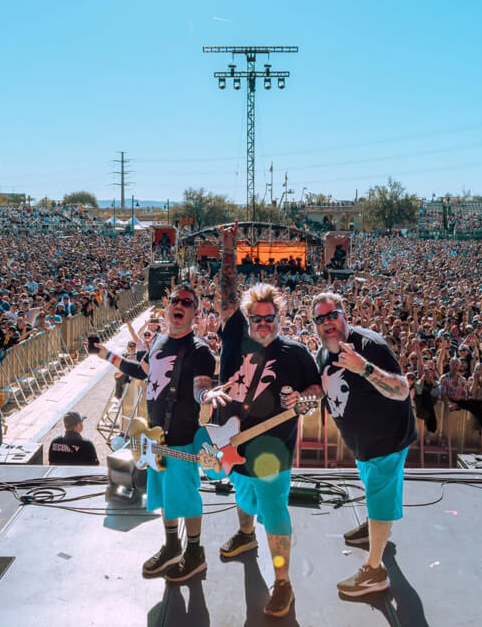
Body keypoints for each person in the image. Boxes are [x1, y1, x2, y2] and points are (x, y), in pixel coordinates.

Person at [212, 224, 322, 618]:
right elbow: (226, 295)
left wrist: (304, 399)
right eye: (256, 317)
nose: (263, 322)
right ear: (246, 317)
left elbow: (316, 390)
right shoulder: (234, 334)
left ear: (280, 317)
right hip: (232, 443)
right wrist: (229, 247)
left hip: (274, 452)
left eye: (270, 317)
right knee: (241, 495)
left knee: (274, 513)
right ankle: (245, 536)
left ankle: (282, 583)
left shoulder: (295, 352)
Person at [95, 284, 217, 584]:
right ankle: (172, 545)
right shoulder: (160, 341)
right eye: (175, 300)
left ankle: (195, 552)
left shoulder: (200, 351)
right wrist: (105, 354)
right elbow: (144, 370)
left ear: (195, 311)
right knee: (163, 496)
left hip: (182, 438)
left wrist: (206, 397)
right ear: (168, 307)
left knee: (186, 497)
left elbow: (202, 386)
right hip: (155, 437)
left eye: (187, 302)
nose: (180, 304)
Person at [310, 291, 415, 597]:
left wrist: (363, 368)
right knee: (372, 487)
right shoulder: (322, 353)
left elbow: (401, 390)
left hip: (386, 439)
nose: (327, 323)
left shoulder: (370, 346)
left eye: (332, 315)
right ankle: (374, 525)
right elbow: (324, 388)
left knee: (381, 493)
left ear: (345, 315)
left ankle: (374, 571)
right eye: (320, 318)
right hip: (362, 441)